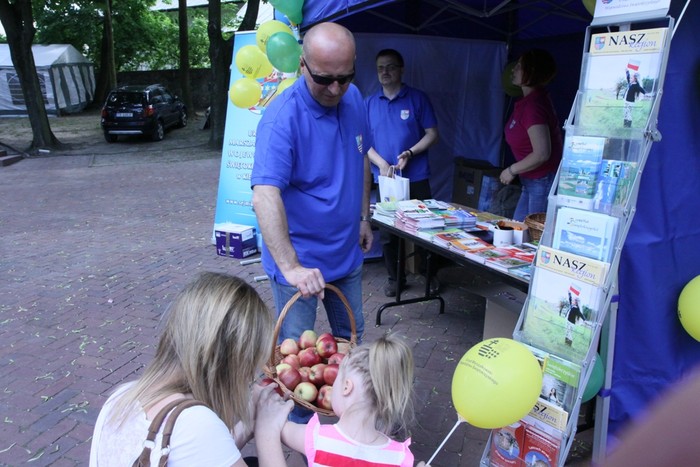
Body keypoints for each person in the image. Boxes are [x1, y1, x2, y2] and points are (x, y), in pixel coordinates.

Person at [251, 22, 373, 422]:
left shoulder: (354, 98)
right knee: (295, 372)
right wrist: (290, 267)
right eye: (324, 79)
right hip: (299, 266)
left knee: (352, 355)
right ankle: (299, 439)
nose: (336, 89)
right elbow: (264, 194)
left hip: (346, 256)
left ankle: (352, 430)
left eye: (345, 77)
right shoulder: (280, 119)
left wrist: (363, 218)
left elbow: (362, 159)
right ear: (302, 65)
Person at [89, 272, 292, 466]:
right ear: (228, 362)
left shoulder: (121, 398)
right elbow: (199, 440)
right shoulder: (195, 424)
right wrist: (268, 432)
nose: (250, 376)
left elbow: (203, 454)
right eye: (250, 364)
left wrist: (249, 423)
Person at [271, 334, 431, 466]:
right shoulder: (400, 458)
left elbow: (276, 427)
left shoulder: (316, 439)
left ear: (347, 387)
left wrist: (273, 406)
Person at [365, 49, 440, 297]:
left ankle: (431, 276)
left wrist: (410, 152)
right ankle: (395, 279)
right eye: (380, 68)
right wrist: (382, 164)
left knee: (426, 231)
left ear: (401, 70)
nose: (385, 72)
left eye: (390, 67)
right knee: (388, 236)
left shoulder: (417, 99)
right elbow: (362, 142)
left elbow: (432, 134)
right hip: (387, 182)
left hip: (416, 177)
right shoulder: (369, 103)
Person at [499, 49, 563, 222]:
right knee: (520, 230)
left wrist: (511, 170)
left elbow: (542, 153)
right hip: (531, 180)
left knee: (532, 236)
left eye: (519, 66)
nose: (513, 69)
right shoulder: (528, 101)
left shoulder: (534, 106)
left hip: (541, 181)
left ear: (531, 72)